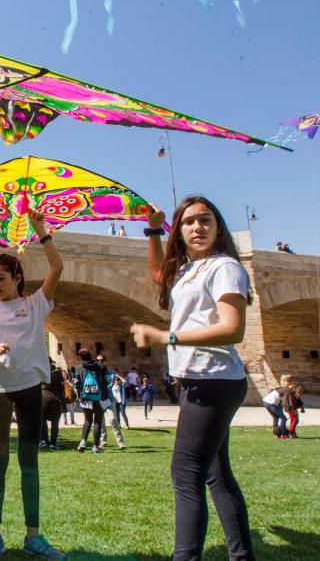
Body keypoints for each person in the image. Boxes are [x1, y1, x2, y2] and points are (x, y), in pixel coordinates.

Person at [130, 196, 255, 561]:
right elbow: (159, 276)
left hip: (213, 380)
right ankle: (242, 556)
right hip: (195, 379)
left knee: (185, 475)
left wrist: (165, 336)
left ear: (218, 228)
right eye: (188, 222)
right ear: (179, 231)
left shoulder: (226, 268)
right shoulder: (188, 270)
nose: (197, 228)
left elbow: (232, 329)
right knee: (216, 473)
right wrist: (153, 229)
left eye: (205, 220)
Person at [0, 209, 67, 561]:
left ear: (17, 277)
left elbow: (57, 269)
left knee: (29, 462)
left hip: (29, 390)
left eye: (0, 278)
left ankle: (33, 536)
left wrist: (42, 232)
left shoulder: (35, 305)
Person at [74, 348, 109, 454]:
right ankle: (95, 446)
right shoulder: (100, 365)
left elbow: (77, 383)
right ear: (91, 355)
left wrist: (80, 395)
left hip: (86, 398)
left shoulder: (78, 368)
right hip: (99, 397)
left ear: (80, 357)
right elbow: (107, 379)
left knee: (87, 421)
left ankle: (83, 442)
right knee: (97, 422)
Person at [97, 357, 126, 450]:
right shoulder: (95, 373)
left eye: (101, 360)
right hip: (99, 399)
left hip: (109, 399)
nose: (100, 362)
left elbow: (109, 385)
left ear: (105, 361)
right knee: (101, 422)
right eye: (98, 360)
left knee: (113, 420)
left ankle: (120, 442)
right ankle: (103, 441)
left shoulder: (111, 373)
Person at [40, 361, 64, 450]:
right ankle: (53, 443)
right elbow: (62, 388)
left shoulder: (41, 374)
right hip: (55, 399)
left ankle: (44, 440)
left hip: (43, 399)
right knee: (55, 423)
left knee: (43, 421)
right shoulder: (58, 374)